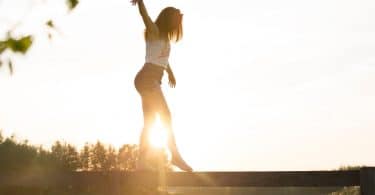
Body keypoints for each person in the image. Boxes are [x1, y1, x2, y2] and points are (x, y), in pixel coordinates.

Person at [131, 0, 192, 172]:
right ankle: (175, 155)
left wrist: (170, 72)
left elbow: (162, 58)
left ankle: (141, 163)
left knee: (149, 122)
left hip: (151, 80)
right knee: (166, 115)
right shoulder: (154, 31)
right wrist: (140, 2)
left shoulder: (164, 38)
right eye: (174, 21)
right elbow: (145, 16)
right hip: (147, 79)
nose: (176, 26)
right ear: (167, 20)